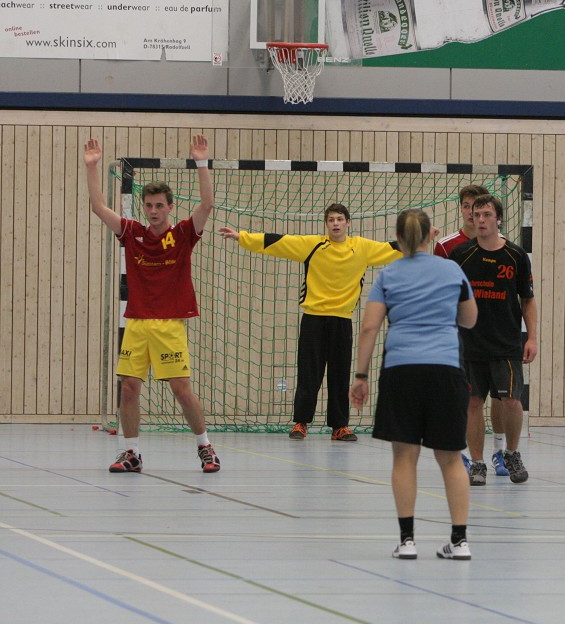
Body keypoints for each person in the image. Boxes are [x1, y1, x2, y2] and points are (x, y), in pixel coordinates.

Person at [83, 135, 220, 474]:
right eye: (149, 205)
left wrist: (201, 163)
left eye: (160, 205)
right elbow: (99, 208)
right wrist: (92, 167)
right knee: (129, 388)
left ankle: (205, 446)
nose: (154, 211)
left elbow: (206, 205)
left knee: (181, 390)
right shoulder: (132, 233)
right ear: (143, 207)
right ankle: (131, 452)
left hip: (169, 323)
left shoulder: (184, 234)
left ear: (170, 207)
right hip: (138, 323)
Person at [349, 209, 477, 560]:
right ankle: (460, 541)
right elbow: (469, 320)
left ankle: (407, 541)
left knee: (404, 457)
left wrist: (360, 377)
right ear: (428, 236)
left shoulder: (388, 274)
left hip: (402, 371)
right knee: (451, 459)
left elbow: (369, 327)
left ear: (399, 238)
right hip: (445, 370)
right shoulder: (452, 270)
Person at [219, 204, 401, 441]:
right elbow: (279, 242)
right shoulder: (312, 245)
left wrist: (422, 238)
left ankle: (340, 427)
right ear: (327, 224)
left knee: (339, 375)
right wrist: (241, 237)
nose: (335, 223)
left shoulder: (363, 248)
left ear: (348, 223)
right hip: (313, 319)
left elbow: (393, 248)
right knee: (309, 373)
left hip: (342, 321)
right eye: (331, 220)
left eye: (339, 219)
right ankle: (300, 422)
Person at [450, 194, 536, 486]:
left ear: (498, 218)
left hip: (506, 344)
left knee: (511, 401)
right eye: (476, 214)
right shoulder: (461, 255)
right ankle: (476, 463)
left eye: (487, 214)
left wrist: (532, 337)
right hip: (470, 344)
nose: (481, 220)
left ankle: (511, 453)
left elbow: (527, 299)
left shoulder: (515, 256)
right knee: (472, 403)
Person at [434, 184, 511, 476]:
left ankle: (500, 451)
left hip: (497, 334)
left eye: (476, 208)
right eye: (466, 207)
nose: (471, 213)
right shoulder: (446, 247)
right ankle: (465, 455)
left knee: (502, 397)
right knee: (466, 399)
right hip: (460, 335)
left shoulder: (502, 245)